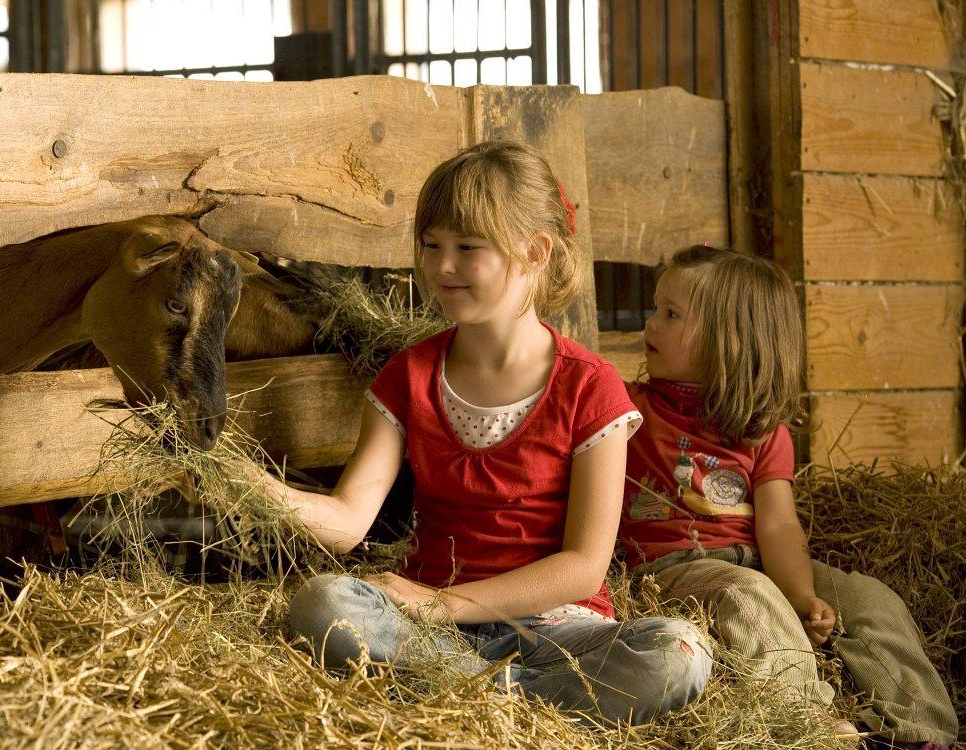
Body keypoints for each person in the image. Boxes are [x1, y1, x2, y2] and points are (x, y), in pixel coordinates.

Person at [244, 141, 712, 724]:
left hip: (556, 631)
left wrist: (447, 604)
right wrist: (256, 488)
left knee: (678, 652)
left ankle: (468, 695)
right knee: (324, 603)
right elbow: (347, 520)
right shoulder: (409, 375)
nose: (442, 267)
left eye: (467, 248)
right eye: (431, 245)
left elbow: (584, 566)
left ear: (535, 252)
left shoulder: (590, 386)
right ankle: (522, 701)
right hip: (431, 632)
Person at [620, 244, 957, 748]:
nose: (650, 323)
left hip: (757, 562)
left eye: (671, 314)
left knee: (869, 600)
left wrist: (801, 597)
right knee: (749, 595)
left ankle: (916, 729)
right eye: (656, 308)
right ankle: (811, 729)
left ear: (729, 341)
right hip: (673, 568)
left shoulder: (762, 431)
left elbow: (777, 525)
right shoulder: (627, 406)